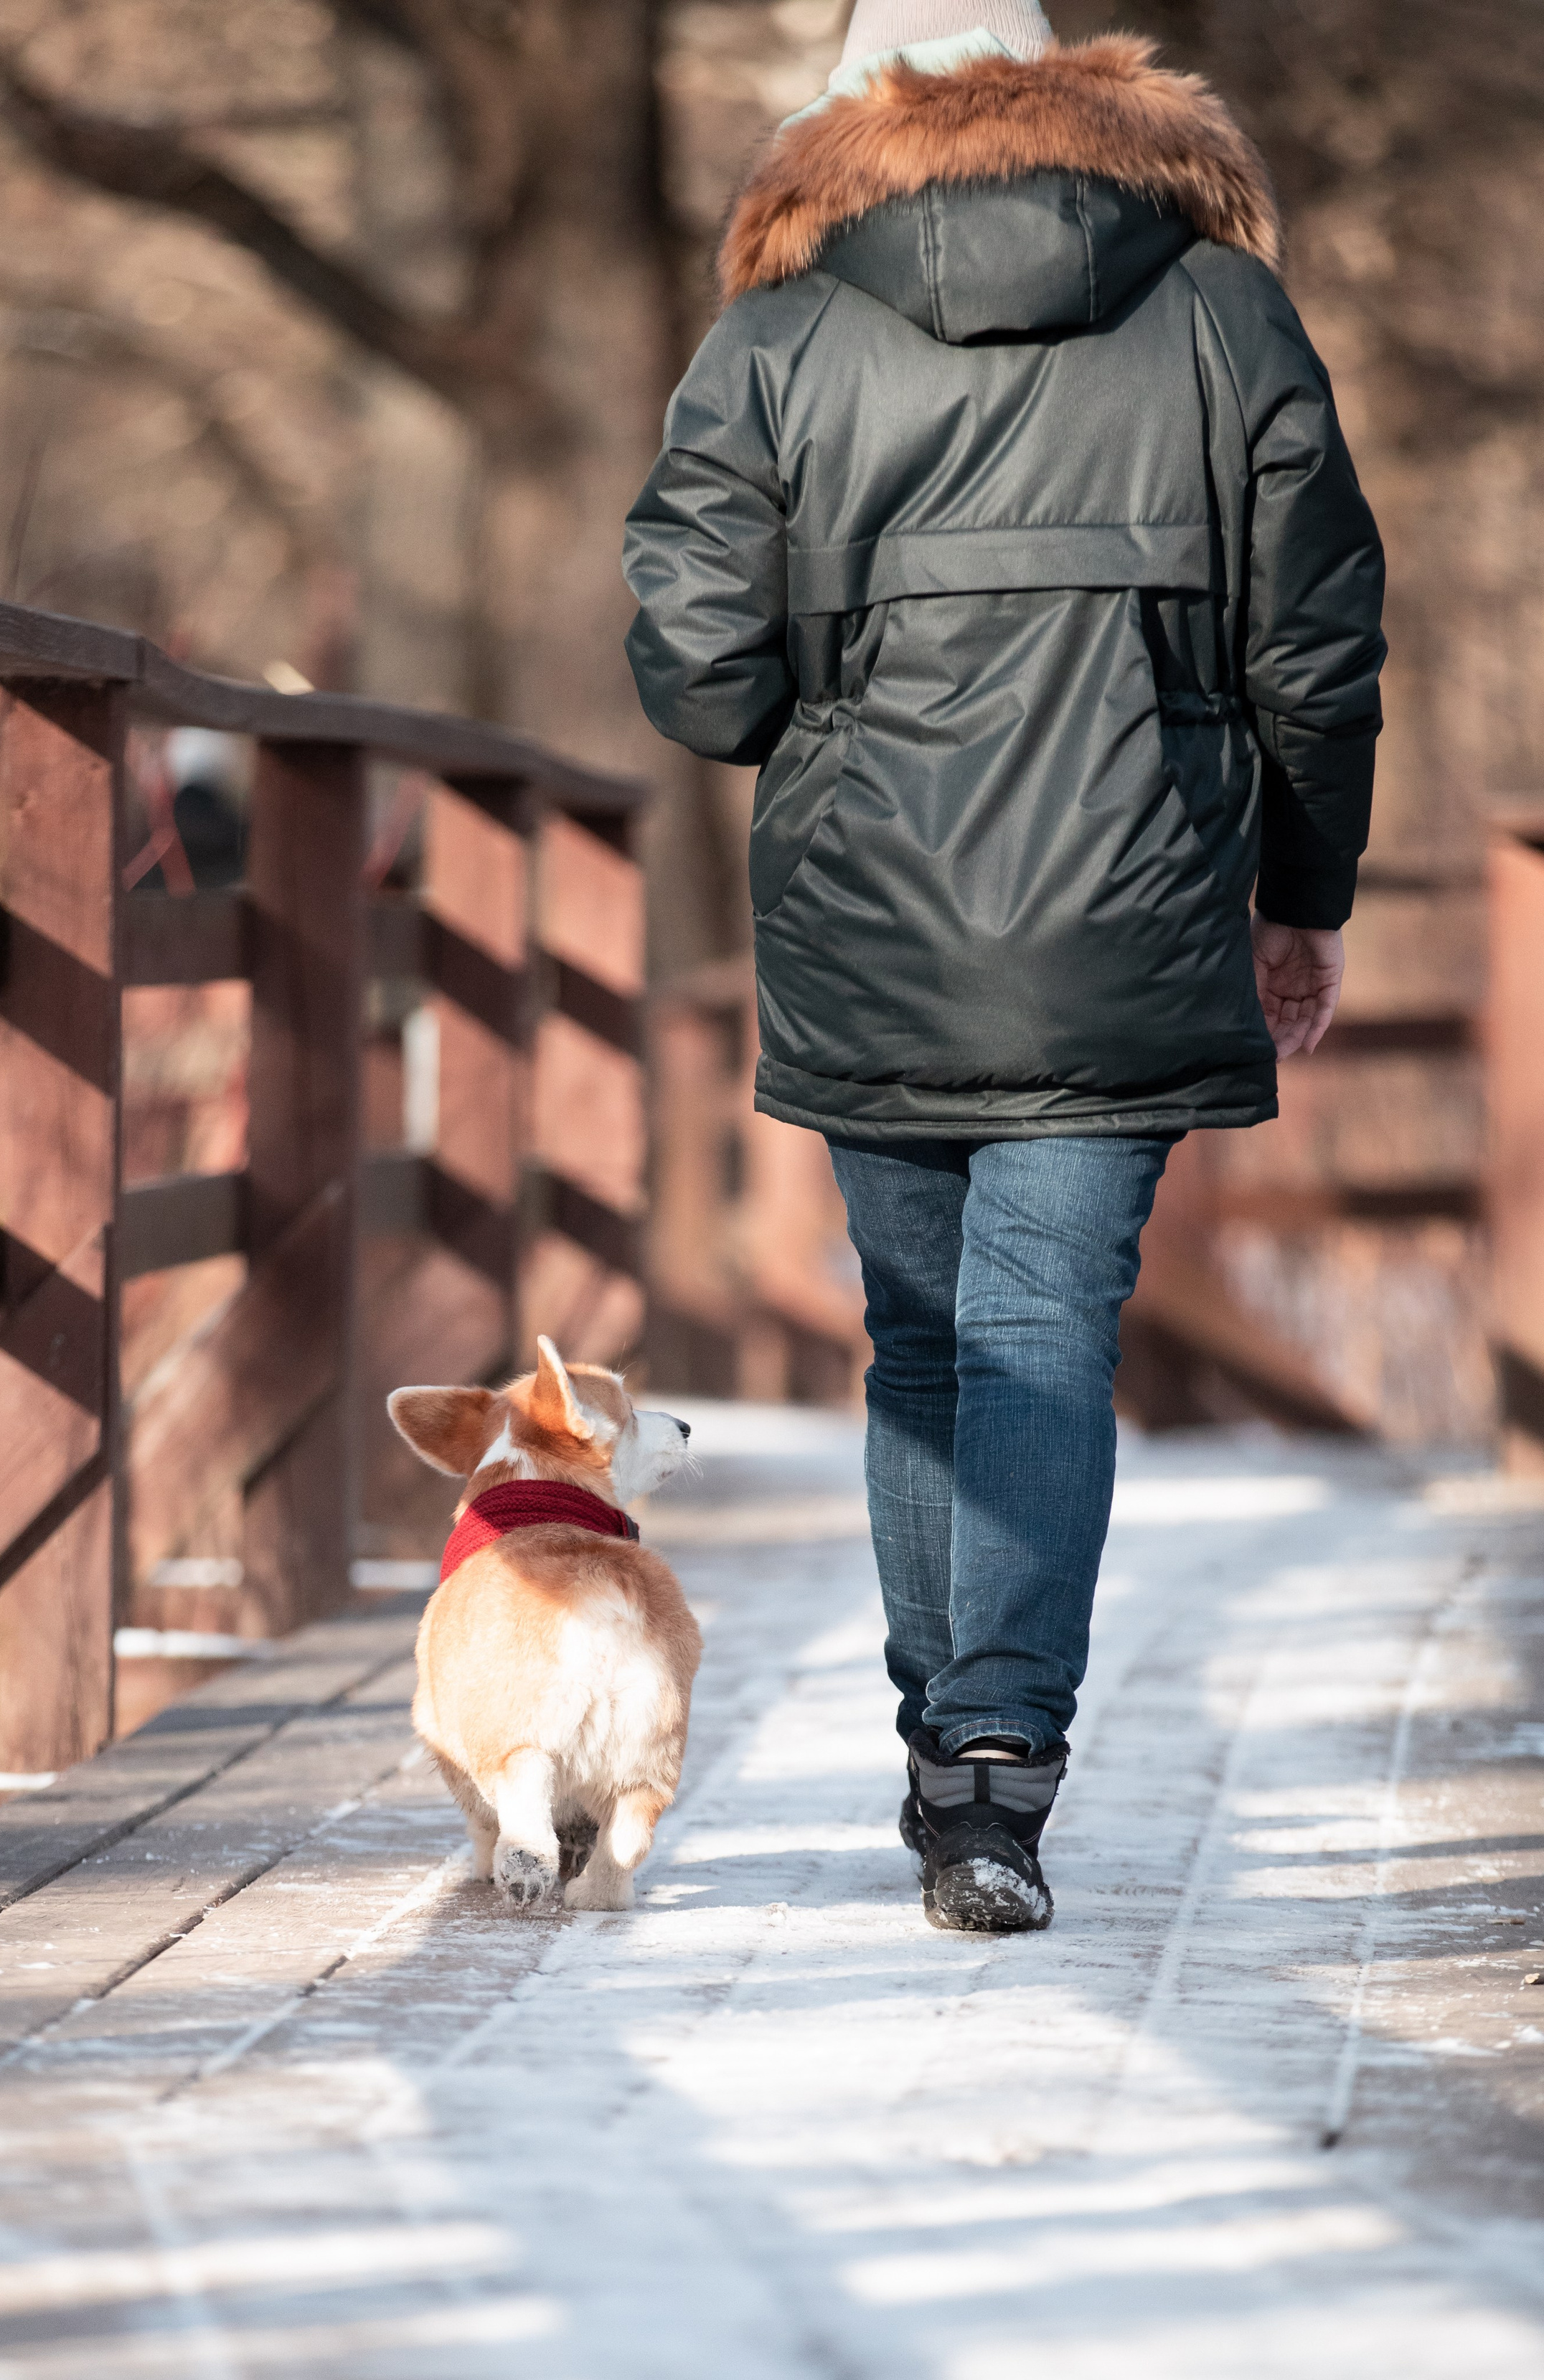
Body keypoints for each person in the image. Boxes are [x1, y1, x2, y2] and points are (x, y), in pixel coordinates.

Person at [622, 1, 1385, 1933]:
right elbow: (1317, 646)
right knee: (1043, 1328)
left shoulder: (775, 339)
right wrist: (1304, 891)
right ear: (1083, 103)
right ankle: (995, 1777)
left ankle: (942, 1752)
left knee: (924, 1341)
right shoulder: (1223, 317)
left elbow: (701, 681)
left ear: (849, 118)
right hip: (1135, 900)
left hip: (870, 916)